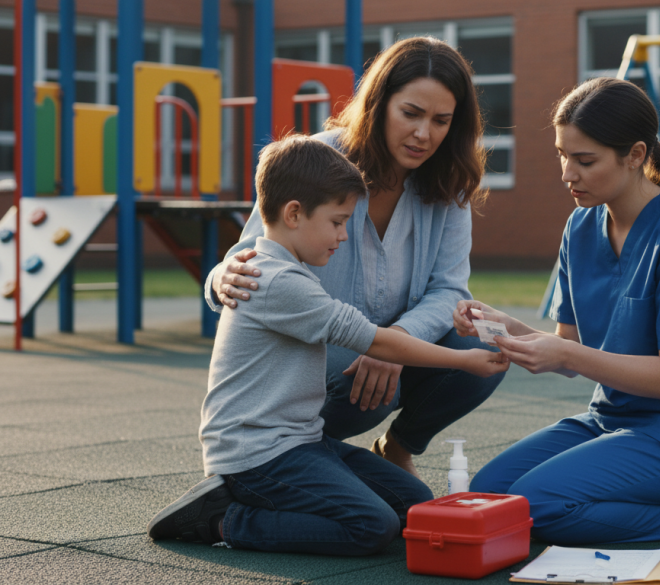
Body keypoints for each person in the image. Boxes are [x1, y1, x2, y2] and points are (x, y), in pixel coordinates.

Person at [148, 135, 508, 555]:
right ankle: (221, 518)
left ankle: (268, 502)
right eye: (337, 222)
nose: (343, 235)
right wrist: (465, 360)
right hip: (256, 455)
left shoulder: (289, 270)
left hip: (301, 441)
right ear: (294, 214)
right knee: (371, 526)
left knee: (412, 502)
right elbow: (378, 342)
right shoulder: (276, 281)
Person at [455, 77, 660, 545]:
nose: (567, 174)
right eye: (562, 155)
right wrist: (500, 326)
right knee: (489, 493)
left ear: (636, 155)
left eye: (585, 161)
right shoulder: (580, 226)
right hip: (611, 420)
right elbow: (568, 346)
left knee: (536, 505)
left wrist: (566, 355)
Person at [205, 37, 502, 478]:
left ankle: (396, 448)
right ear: (380, 105)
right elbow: (251, 260)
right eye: (411, 113)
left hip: (387, 351)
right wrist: (220, 277)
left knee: (484, 344)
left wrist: (395, 340)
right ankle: (294, 460)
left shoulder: (449, 183)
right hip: (318, 361)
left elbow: (449, 289)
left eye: (441, 121)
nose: (424, 134)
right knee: (369, 387)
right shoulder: (319, 158)